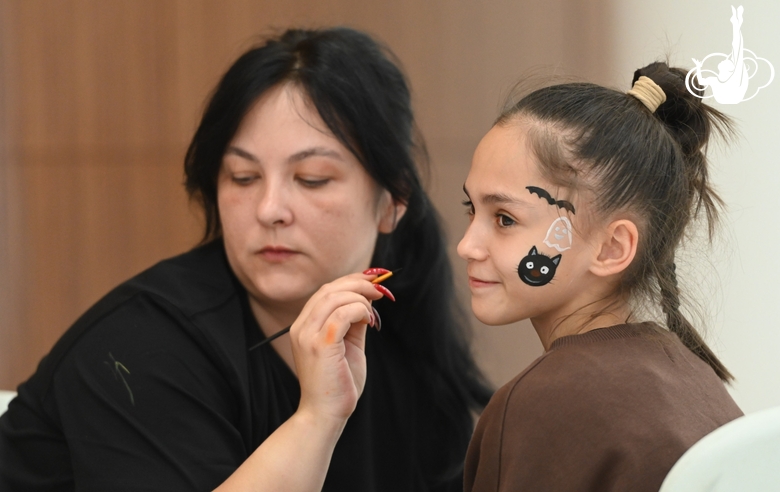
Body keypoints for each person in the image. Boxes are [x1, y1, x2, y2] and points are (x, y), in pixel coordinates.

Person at [0, 27, 492, 491]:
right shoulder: (140, 346)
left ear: (393, 201)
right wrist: (317, 418)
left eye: (312, 178)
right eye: (242, 177)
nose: (270, 209)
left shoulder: (402, 336)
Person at [458, 61, 744, 491]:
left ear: (612, 248)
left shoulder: (541, 403)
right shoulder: (695, 378)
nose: (467, 245)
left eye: (504, 219)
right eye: (471, 210)